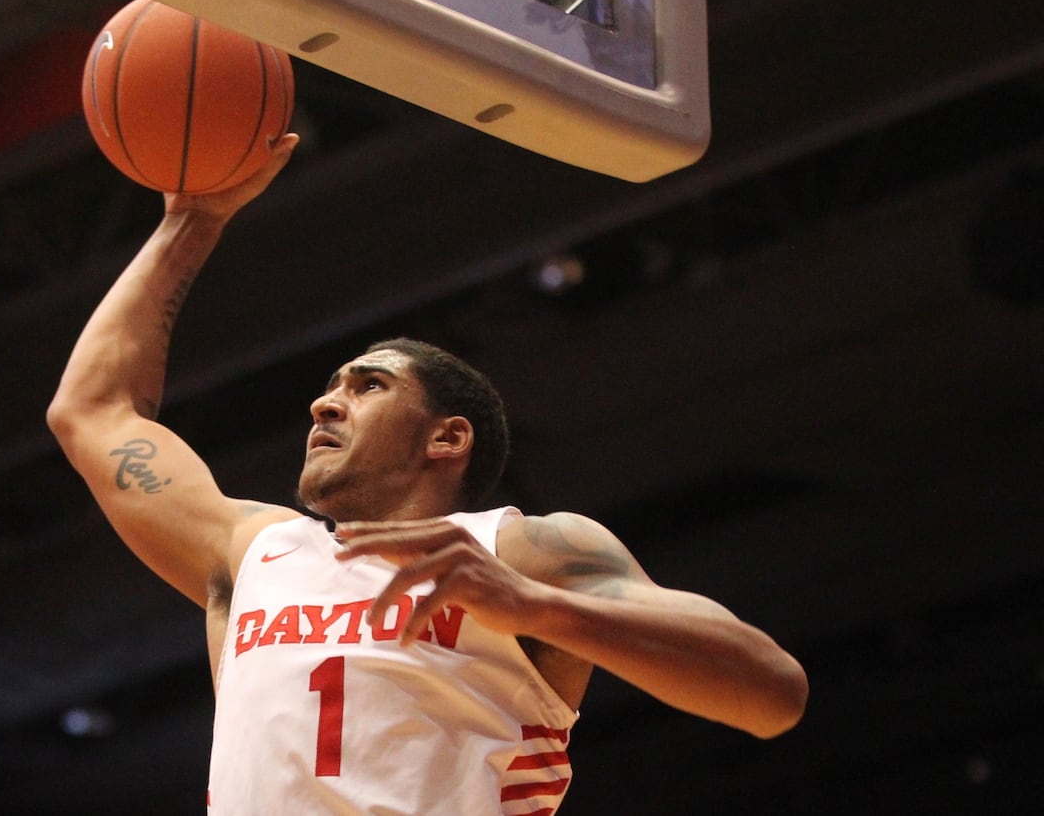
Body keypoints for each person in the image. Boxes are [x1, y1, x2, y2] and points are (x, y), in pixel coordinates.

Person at [46, 134, 808, 814]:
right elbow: (92, 411)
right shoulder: (251, 552)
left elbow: (772, 694)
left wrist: (534, 607)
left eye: (367, 386)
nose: (324, 402)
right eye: (332, 385)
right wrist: (191, 223)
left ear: (447, 437)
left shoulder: (522, 552)